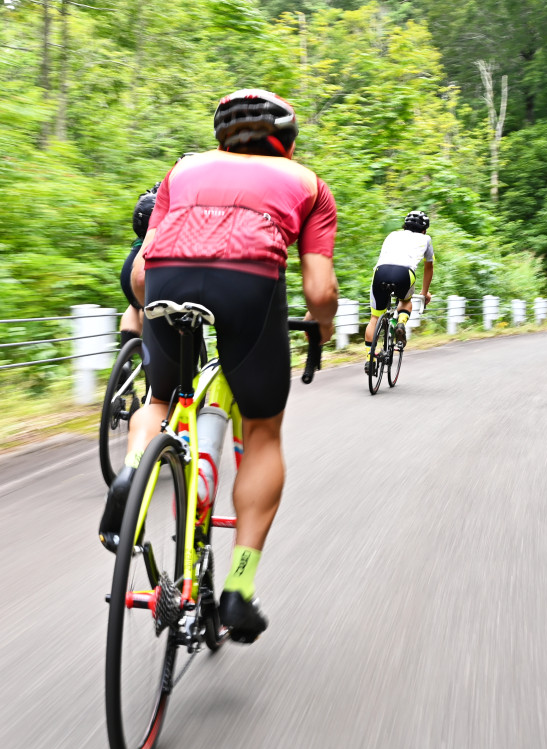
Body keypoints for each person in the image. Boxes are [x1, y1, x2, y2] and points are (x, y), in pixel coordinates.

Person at [98, 89, 339, 642]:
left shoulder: (180, 172)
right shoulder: (307, 184)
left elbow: (138, 277)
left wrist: (153, 310)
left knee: (161, 399)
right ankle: (238, 588)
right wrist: (321, 327)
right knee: (262, 434)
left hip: (164, 281)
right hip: (249, 286)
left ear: (220, 139)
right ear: (289, 141)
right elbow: (319, 289)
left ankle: (134, 470)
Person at [364, 211, 434, 367]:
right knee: (406, 302)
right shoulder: (425, 239)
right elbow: (429, 268)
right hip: (404, 274)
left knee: (374, 318)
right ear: (424, 230)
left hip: (380, 272)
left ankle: (370, 358)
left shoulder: (392, 235)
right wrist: (424, 293)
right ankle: (401, 322)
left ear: (405, 225)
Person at [116, 184, 160, 342]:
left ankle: (125, 362)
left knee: (134, 307)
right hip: (150, 268)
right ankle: (150, 363)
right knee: (150, 310)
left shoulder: (153, 195)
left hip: (130, 267)